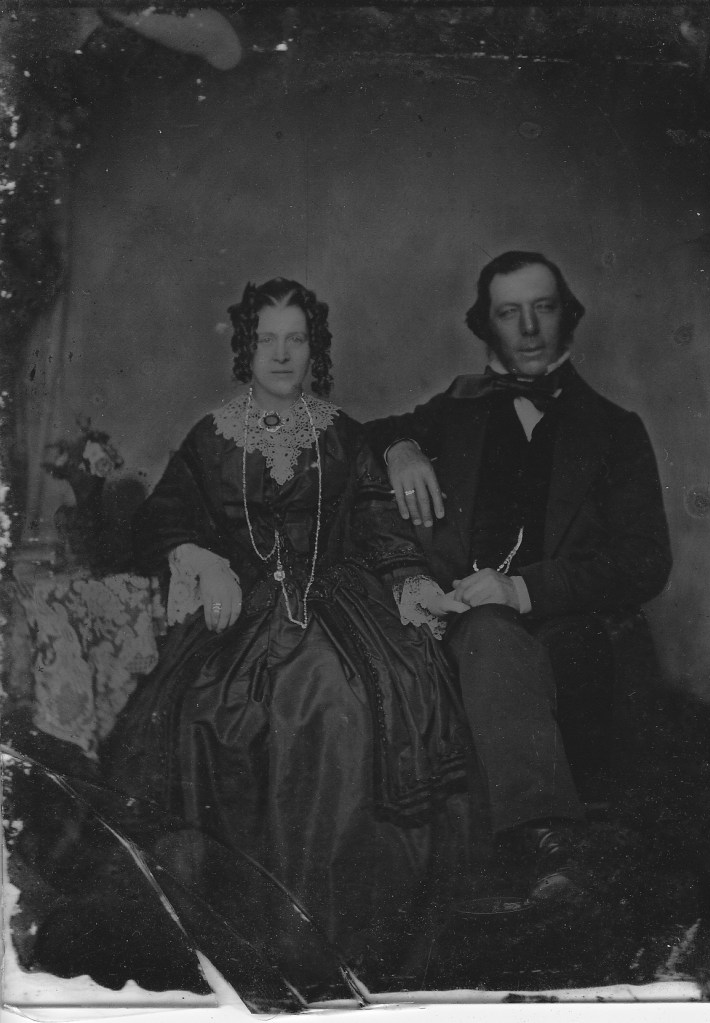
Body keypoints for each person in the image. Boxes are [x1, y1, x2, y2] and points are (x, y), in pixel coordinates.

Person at [100, 277, 470, 981]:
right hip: (237, 611)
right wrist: (203, 559)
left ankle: (325, 940)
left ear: (313, 349)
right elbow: (162, 517)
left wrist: (409, 579)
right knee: (208, 713)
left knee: (334, 703)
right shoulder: (211, 437)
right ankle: (242, 934)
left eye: (294, 339)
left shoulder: (342, 434)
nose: (279, 354)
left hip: (336, 604)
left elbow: (377, 519)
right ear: (246, 348)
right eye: (266, 339)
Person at [365, 250, 673, 914]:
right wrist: (400, 448)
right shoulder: (456, 411)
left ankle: (547, 844)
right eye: (510, 312)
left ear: (568, 315)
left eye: (544, 307)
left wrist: (523, 588)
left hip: (572, 632)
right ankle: (546, 846)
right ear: (487, 324)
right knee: (480, 635)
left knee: (499, 635)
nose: (529, 328)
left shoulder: (615, 430)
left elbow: (647, 560)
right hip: (460, 625)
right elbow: (352, 439)